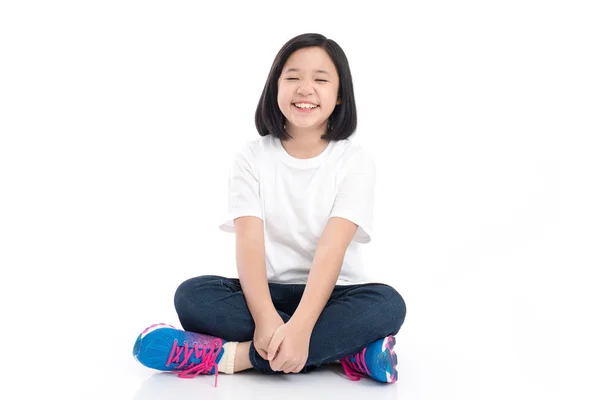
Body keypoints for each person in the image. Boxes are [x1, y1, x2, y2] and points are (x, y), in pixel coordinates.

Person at [132, 33, 407, 387]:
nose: (305, 88)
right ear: (274, 87)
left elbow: (332, 248)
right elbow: (249, 243)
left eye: (321, 79)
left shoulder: (355, 160)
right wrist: (265, 318)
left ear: (339, 96)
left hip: (335, 295)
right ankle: (349, 353)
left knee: (387, 305)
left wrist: (303, 326)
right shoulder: (251, 157)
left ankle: (232, 357)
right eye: (292, 77)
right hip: (264, 292)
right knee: (191, 295)